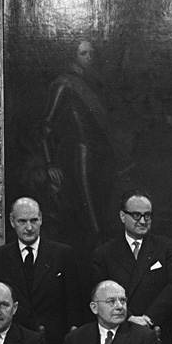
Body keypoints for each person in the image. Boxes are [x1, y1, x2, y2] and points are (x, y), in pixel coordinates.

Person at [0, 197, 86, 344]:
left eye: (33, 220)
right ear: (12, 221)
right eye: (22, 221)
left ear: (41, 220)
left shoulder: (62, 254)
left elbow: (73, 303)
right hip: (13, 343)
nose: (29, 227)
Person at [90, 191, 172, 344]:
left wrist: (148, 319)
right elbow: (99, 292)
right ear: (122, 216)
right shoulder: (104, 253)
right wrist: (130, 317)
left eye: (147, 215)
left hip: (157, 330)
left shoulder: (167, 248)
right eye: (136, 215)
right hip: (120, 329)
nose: (142, 221)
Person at [40, 39, 117, 236]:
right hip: (79, 156)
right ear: (73, 56)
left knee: (103, 208)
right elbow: (47, 126)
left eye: (91, 53)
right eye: (83, 53)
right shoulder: (64, 84)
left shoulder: (95, 84)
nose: (89, 57)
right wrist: (50, 164)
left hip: (100, 155)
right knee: (89, 214)